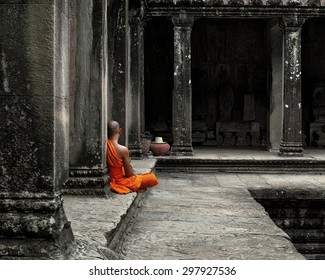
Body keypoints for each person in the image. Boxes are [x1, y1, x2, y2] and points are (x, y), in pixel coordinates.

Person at [107, 120, 159, 194]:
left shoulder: (105, 146)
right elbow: (129, 174)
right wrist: (135, 176)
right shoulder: (123, 149)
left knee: (140, 177)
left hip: (109, 178)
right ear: (119, 130)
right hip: (121, 180)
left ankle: (135, 185)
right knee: (151, 178)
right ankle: (134, 186)